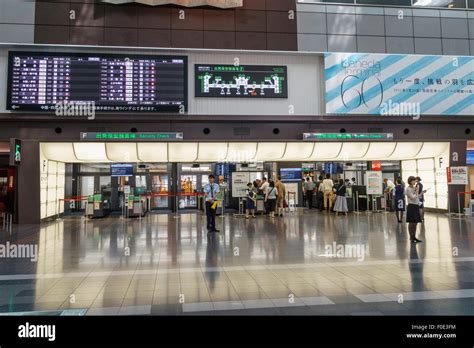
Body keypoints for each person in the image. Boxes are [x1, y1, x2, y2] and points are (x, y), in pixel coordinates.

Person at [405, 176, 422, 243]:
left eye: (415, 180)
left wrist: (420, 193)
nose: (415, 182)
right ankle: (411, 237)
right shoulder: (408, 189)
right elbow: (412, 197)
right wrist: (417, 191)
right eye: (414, 180)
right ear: (410, 181)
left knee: (415, 222)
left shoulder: (413, 188)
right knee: (411, 222)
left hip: (416, 205)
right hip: (411, 206)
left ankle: (414, 236)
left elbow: (417, 197)